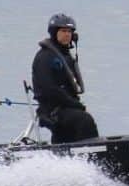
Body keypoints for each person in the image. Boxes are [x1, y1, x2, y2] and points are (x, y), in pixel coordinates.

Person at [31, 12, 99, 144]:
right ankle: (94, 152)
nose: (67, 34)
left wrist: (75, 104)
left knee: (70, 130)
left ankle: (61, 153)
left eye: (69, 31)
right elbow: (49, 89)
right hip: (53, 110)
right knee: (85, 120)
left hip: (66, 107)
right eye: (63, 31)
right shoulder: (45, 57)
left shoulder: (65, 56)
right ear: (54, 33)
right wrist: (75, 104)